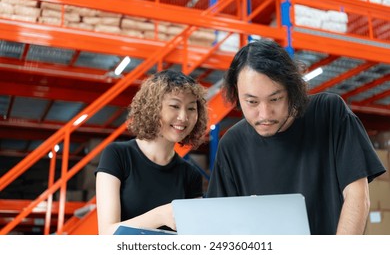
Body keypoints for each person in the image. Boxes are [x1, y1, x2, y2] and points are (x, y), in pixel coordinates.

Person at [206, 39, 386, 235]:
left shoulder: (329, 113)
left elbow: (357, 196)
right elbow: (222, 225)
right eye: (252, 102)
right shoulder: (232, 145)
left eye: (275, 99)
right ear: (237, 95)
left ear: (291, 89)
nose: (265, 114)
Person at [95, 70, 208, 235]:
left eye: (191, 108)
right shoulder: (117, 155)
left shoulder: (190, 174)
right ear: (153, 108)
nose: (184, 117)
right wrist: (160, 216)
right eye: (174, 106)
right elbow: (106, 233)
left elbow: (196, 236)